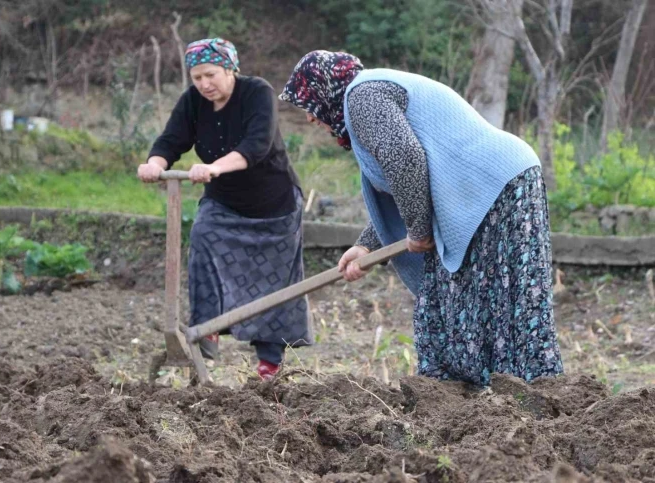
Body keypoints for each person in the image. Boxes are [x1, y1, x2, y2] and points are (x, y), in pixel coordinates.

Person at [279, 51, 564, 386]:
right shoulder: (366, 98)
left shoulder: (362, 97)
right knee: (457, 299)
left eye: (309, 104)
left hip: (494, 185)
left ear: (327, 90)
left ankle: (513, 393)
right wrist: (366, 246)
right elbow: (403, 183)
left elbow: (406, 159)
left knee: (495, 296)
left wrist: (418, 229)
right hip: (495, 183)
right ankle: (468, 395)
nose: (311, 118)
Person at [138, 38, 310, 380]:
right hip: (224, 201)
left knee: (272, 283)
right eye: (197, 77)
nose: (204, 84)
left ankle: (269, 363)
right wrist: (154, 163)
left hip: (273, 204)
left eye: (211, 75)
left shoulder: (256, 92)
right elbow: (171, 140)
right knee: (203, 236)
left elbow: (257, 145)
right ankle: (206, 333)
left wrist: (216, 166)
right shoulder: (193, 102)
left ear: (231, 68)